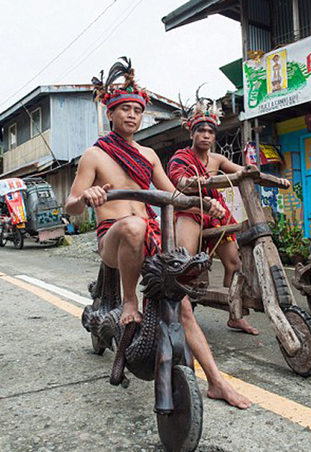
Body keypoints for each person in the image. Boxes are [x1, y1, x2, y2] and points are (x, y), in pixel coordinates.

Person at [65, 58, 251, 408]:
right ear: (111, 114)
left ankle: (216, 382)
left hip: (150, 237)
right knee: (134, 225)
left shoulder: (149, 154)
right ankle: (130, 301)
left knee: (183, 309)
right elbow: (70, 206)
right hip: (114, 237)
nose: (132, 115)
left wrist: (201, 206)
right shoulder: (93, 155)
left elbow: (173, 197)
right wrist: (86, 197)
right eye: (125, 109)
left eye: (137, 109)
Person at [168, 91, 290, 335]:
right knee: (185, 263)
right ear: (191, 133)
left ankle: (235, 316)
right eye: (201, 131)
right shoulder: (179, 158)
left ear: (214, 135)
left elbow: (245, 173)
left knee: (235, 263)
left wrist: (274, 179)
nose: (205, 135)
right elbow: (179, 182)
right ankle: (180, 315)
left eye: (210, 131)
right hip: (191, 210)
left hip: (218, 213)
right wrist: (193, 185)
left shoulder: (218, 159)